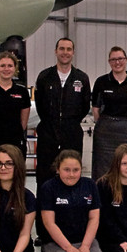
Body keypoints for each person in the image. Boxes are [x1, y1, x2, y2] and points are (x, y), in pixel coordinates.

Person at [38, 150, 108, 252]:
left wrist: (86, 245)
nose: (71, 174)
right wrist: (68, 248)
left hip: (84, 240)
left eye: (76, 170)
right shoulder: (48, 188)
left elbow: (94, 218)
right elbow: (49, 224)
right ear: (58, 169)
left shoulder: (90, 185)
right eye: (66, 170)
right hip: (57, 243)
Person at [34, 38, 91, 187]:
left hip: (72, 133)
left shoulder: (82, 78)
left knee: (70, 172)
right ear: (56, 51)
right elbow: (40, 104)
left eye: (68, 49)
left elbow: (85, 107)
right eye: (62, 49)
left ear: (73, 52)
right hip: (48, 133)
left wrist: (69, 122)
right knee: (45, 174)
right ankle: (44, 208)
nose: (65, 52)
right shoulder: (44, 77)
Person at [91, 47, 127, 180]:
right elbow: (95, 109)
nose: (117, 62)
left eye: (120, 59)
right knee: (102, 168)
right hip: (105, 131)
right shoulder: (101, 82)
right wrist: (106, 122)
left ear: (126, 60)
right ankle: (102, 198)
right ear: (109, 62)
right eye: (113, 59)